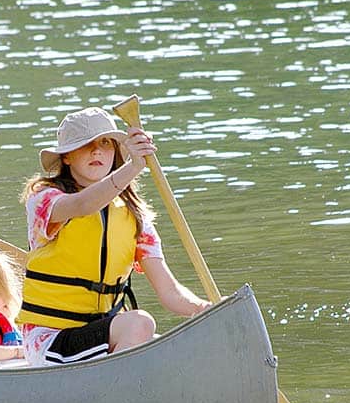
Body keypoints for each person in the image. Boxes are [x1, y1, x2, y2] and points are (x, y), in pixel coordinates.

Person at [18, 106, 212, 366]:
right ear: (66, 157)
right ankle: (113, 395)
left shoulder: (135, 216)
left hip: (102, 335)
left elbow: (169, 292)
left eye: (106, 143)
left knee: (165, 345)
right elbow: (83, 206)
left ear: (115, 152)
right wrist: (133, 167)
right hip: (51, 340)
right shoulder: (45, 199)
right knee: (140, 322)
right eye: (86, 145)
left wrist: (208, 310)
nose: (97, 150)